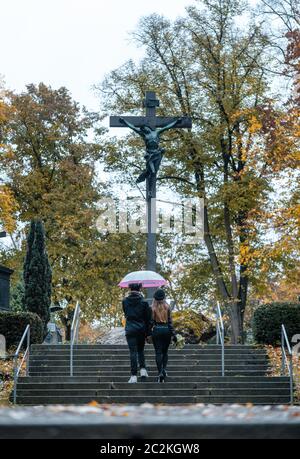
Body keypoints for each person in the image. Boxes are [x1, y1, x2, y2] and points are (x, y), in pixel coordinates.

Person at [122, 283, 152, 384]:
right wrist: (148, 333)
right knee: (141, 350)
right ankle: (143, 370)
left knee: (133, 352)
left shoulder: (125, 301)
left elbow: (126, 314)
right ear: (140, 289)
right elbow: (148, 319)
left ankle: (133, 375)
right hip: (141, 330)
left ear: (130, 289)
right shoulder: (144, 303)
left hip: (130, 329)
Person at [151, 289, 177, 383]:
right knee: (165, 352)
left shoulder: (152, 308)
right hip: (166, 330)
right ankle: (164, 369)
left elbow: (151, 322)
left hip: (157, 330)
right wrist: (174, 334)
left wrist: (148, 333)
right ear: (163, 298)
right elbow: (170, 322)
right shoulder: (167, 307)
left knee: (158, 352)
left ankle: (160, 372)